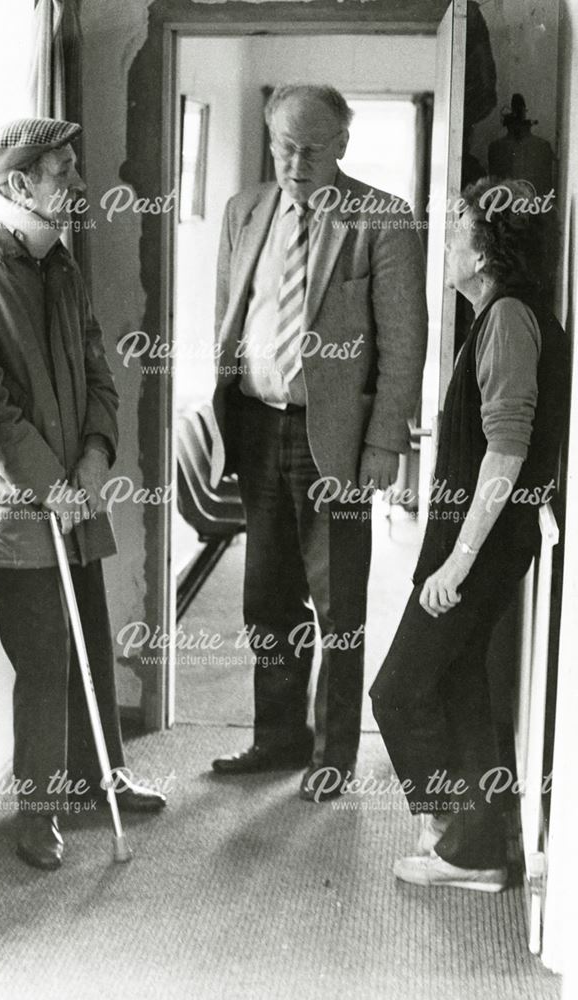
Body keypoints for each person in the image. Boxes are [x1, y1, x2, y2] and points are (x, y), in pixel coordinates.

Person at [209, 84, 428, 799]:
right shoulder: (245, 211)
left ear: (341, 144)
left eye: (310, 147)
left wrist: (382, 447)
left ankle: (333, 754)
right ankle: (277, 739)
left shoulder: (382, 219)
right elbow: (230, 316)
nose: (295, 161)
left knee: (337, 605)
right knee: (265, 599)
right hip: (256, 424)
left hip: (331, 437)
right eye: (283, 146)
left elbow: (403, 346)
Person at [370, 177, 569, 891]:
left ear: (486, 250)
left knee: (394, 692)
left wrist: (455, 563)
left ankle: (454, 835)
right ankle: (476, 846)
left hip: (480, 547)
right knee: (459, 688)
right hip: (479, 541)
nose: (444, 241)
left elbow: (506, 451)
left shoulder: (510, 319)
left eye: (456, 227)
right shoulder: (496, 317)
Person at [0, 117, 166, 871]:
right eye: (63, 172)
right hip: (18, 506)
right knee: (43, 655)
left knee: (90, 634)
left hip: (77, 491)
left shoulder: (62, 263)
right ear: (20, 185)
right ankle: (40, 812)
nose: (79, 184)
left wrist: (94, 459)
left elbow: (99, 373)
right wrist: (49, 484)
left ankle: (101, 780)